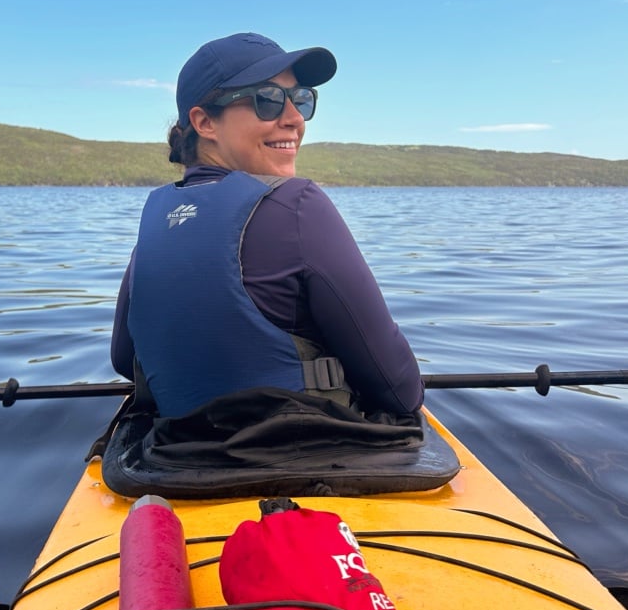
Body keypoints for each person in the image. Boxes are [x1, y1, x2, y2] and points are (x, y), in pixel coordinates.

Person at [110, 31, 425, 420]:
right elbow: (401, 390)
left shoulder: (156, 222)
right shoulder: (298, 205)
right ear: (205, 121)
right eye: (268, 100)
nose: (294, 118)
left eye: (301, 99)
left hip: (176, 459)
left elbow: (125, 360)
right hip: (300, 460)